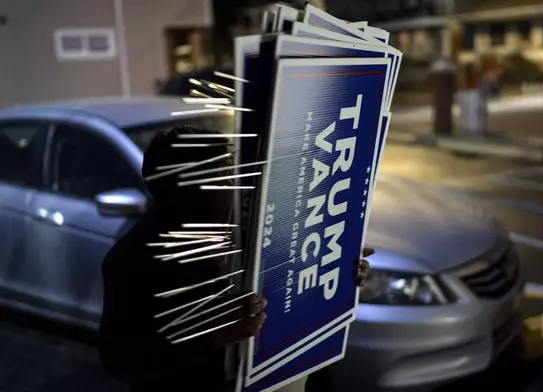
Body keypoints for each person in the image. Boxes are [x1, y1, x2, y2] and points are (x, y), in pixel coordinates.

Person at [99, 125, 371, 392]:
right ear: (174, 190)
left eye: (232, 174)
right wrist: (213, 337)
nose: (235, 187)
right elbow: (120, 360)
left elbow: (292, 290)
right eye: (219, 177)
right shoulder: (133, 259)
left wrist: (339, 267)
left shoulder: (250, 235)